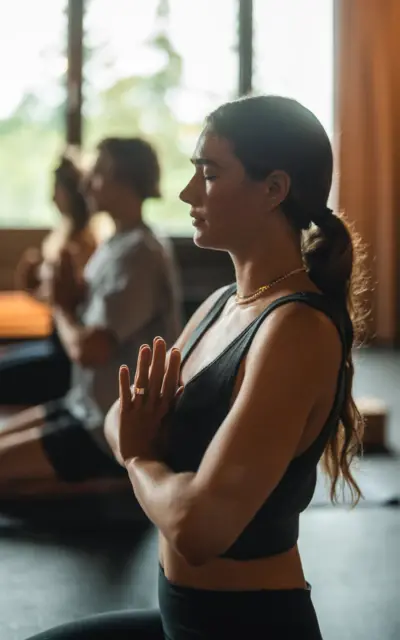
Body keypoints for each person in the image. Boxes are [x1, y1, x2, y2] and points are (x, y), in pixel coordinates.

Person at [24, 96, 365, 639]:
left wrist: (139, 456)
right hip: (179, 616)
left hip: (245, 628)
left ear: (274, 189)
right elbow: (118, 414)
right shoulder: (222, 305)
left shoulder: (295, 331)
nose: (187, 193)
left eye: (209, 174)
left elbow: (198, 527)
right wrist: (143, 451)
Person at [0, 137, 182, 497]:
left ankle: (115, 483)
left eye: (97, 174)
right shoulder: (116, 244)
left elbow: (90, 349)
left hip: (107, 430)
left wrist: (62, 306)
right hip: (82, 405)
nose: (85, 184)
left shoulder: (140, 254)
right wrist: (48, 292)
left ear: (124, 181)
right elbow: (80, 309)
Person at [0, 153, 97, 405]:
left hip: (66, 354)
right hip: (55, 339)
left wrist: (40, 289)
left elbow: (71, 303)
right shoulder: (64, 233)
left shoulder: (84, 243)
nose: (52, 197)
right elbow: (55, 296)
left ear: (71, 194)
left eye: (57, 190)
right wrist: (32, 285)